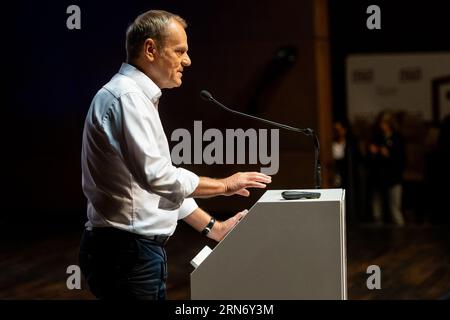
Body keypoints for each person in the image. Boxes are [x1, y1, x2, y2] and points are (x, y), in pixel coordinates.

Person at [79, 10, 272, 300]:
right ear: (150, 49)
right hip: (126, 254)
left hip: (131, 252)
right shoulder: (127, 99)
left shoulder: (135, 97)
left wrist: (214, 228)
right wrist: (224, 185)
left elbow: (159, 189)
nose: (187, 61)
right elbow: (160, 178)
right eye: (179, 51)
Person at [367, 110, 405, 226]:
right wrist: (373, 152)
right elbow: (369, 156)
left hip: (393, 178)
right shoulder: (377, 137)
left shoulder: (397, 138)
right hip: (378, 177)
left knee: (395, 209)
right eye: (381, 123)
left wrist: (389, 154)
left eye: (385, 123)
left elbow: (401, 159)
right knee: (377, 211)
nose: (382, 126)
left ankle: (401, 235)